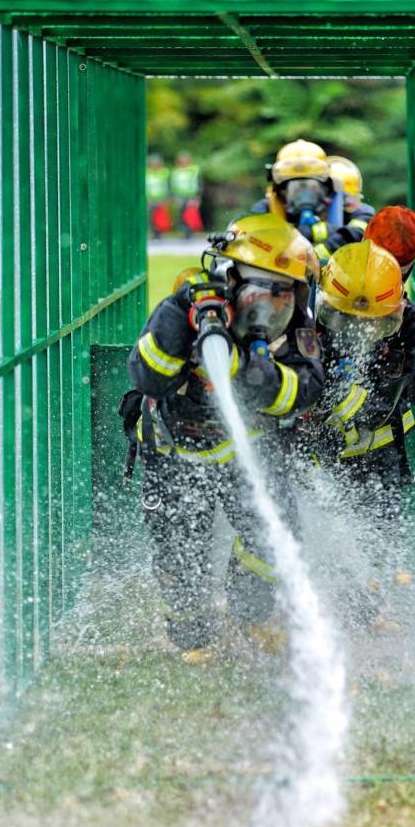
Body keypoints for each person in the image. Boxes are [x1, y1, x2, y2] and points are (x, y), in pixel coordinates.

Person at [121, 213, 324, 662]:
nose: (272, 309)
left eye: (285, 295)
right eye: (262, 294)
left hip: (247, 452)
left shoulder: (295, 331)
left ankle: (250, 612)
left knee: (272, 540)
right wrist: (183, 326)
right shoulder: (181, 312)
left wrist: (249, 371)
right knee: (179, 556)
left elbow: (304, 390)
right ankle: (193, 633)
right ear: (230, 282)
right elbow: (148, 378)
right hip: (174, 452)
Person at [296, 237, 415, 504]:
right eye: (343, 318)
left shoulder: (407, 322)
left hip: (377, 450)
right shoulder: (302, 315)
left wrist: (368, 401)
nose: (356, 332)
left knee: (382, 518)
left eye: (375, 324)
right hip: (312, 449)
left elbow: (383, 401)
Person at [253, 139, 374, 260]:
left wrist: (321, 247)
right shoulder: (267, 207)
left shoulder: (342, 201)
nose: (304, 194)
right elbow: (251, 236)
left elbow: (364, 224)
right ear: (282, 191)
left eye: (312, 186)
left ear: (325, 186)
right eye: (295, 188)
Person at [170, 151, 203, 238]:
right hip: (180, 196)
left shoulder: (194, 170)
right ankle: (184, 231)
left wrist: (197, 197)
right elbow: (173, 185)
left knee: (190, 214)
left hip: (191, 196)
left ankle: (189, 232)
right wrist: (174, 196)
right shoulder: (175, 171)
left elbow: (199, 184)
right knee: (181, 214)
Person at [146, 154, 171, 238]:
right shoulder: (147, 172)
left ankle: (158, 233)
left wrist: (167, 198)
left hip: (161, 199)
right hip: (149, 199)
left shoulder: (164, 172)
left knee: (160, 217)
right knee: (150, 216)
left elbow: (168, 186)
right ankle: (153, 232)